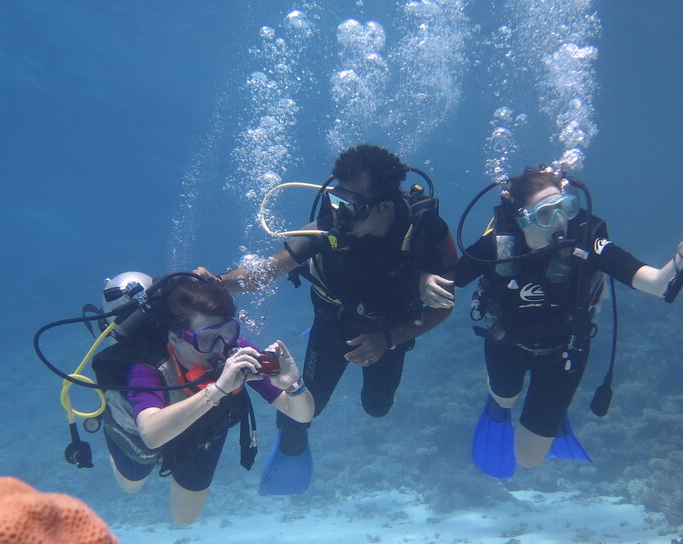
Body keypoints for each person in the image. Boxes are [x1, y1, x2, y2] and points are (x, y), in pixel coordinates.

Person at [427, 165, 683, 478]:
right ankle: (500, 404)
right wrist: (425, 280)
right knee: (505, 397)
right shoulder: (498, 246)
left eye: (566, 208)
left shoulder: (587, 237)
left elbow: (659, 284)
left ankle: (545, 414)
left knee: (528, 459)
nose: (560, 222)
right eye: (545, 214)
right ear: (521, 218)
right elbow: (449, 280)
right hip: (506, 343)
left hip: (564, 352)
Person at [197, 144, 458, 495]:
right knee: (305, 409)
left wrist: (388, 339)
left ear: (383, 206)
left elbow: (444, 307)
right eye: (336, 201)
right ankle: (291, 440)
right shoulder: (328, 227)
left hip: (390, 329)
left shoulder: (428, 230)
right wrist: (216, 282)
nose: (339, 215)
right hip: (333, 323)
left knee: (377, 408)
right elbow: (264, 273)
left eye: (351, 207)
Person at [90, 272, 313, 524]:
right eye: (206, 338)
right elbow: (152, 435)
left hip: (201, 431)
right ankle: (112, 422)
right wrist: (218, 389)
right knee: (132, 486)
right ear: (175, 337)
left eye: (227, 331)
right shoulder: (146, 364)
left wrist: (294, 385)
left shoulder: (237, 350)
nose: (220, 347)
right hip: (139, 430)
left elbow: (302, 414)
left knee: (186, 519)